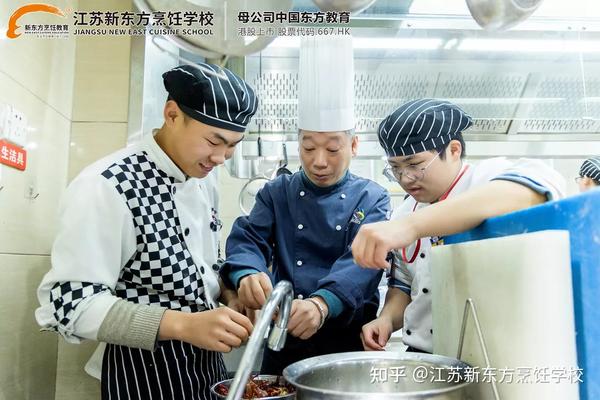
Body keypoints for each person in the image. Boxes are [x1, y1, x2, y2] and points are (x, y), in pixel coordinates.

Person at [35, 63, 258, 400]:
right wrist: (184, 325)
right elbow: (69, 305)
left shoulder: (203, 180)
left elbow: (201, 267)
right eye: (214, 140)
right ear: (171, 114)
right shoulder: (108, 184)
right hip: (142, 371)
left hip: (206, 368)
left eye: (232, 146)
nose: (221, 157)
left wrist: (229, 296)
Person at [220, 36, 390, 375]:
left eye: (332, 148)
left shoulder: (372, 197)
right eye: (309, 147)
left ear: (354, 145)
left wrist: (322, 304)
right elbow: (248, 239)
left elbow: (363, 264)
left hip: (346, 342)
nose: (319, 161)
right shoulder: (277, 192)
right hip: (284, 341)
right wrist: (247, 273)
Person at [353, 98, 565, 354]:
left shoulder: (486, 177)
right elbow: (404, 286)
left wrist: (412, 226)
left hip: (485, 352)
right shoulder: (403, 212)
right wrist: (387, 318)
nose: (405, 179)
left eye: (415, 165)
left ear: (453, 150)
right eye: (395, 169)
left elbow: (536, 189)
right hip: (424, 355)